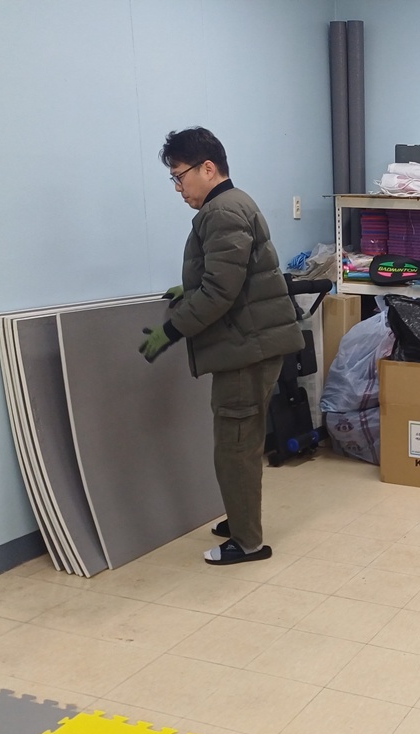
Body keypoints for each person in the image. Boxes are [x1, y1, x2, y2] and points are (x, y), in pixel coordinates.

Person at [138, 127, 305, 565]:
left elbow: (220, 292)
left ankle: (247, 542)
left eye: (180, 176)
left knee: (235, 446)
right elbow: (233, 273)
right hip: (251, 344)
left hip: (245, 350)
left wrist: (170, 331)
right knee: (241, 441)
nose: (178, 188)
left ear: (208, 168)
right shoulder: (235, 203)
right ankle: (241, 518)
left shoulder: (222, 212)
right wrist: (189, 287)